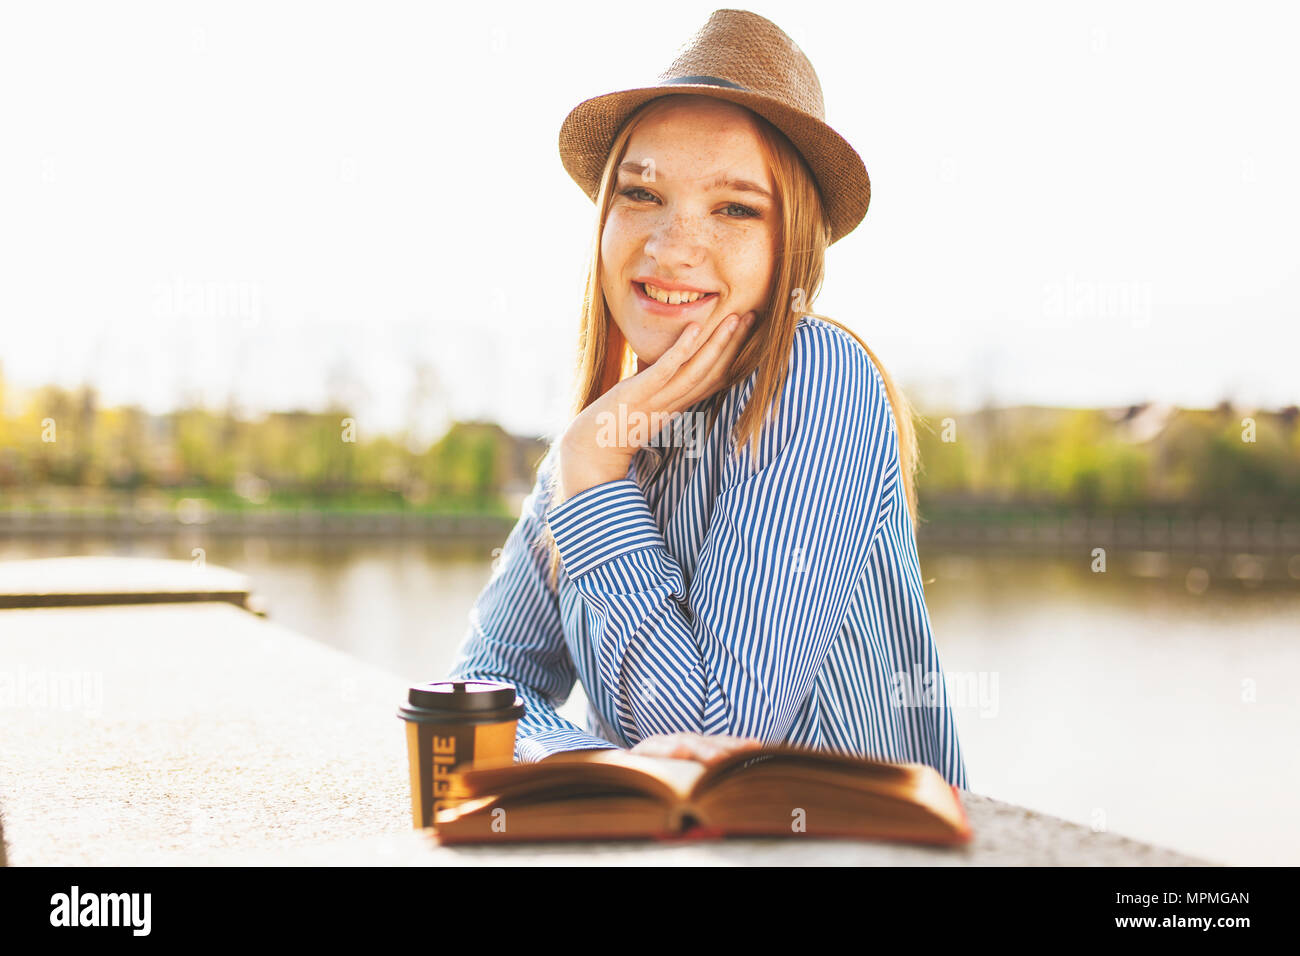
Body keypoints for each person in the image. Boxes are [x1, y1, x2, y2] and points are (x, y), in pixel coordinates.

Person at [447, 9, 970, 789]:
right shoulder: (606, 433)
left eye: (734, 208)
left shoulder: (819, 378)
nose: (670, 247)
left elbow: (712, 742)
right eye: (642, 194)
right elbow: (475, 692)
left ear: (790, 244)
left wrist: (590, 475)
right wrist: (595, 763)